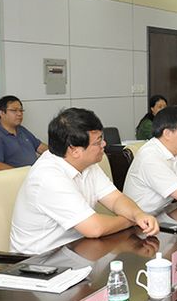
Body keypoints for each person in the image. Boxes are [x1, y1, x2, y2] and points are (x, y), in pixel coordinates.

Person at [9, 108, 159, 255]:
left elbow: (115, 199)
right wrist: (131, 220)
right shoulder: (48, 176)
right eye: (98, 142)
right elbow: (94, 228)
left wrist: (138, 214)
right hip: (39, 261)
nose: (104, 144)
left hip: (76, 249)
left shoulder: (86, 164)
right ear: (75, 150)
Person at [0, 95, 48, 171]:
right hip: (19, 176)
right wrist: (24, 173)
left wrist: (58, 154)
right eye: (14, 110)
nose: (19, 114)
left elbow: (41, 147)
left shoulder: (22, 130)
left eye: (21, 110)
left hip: (36, 172)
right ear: (2, 113)